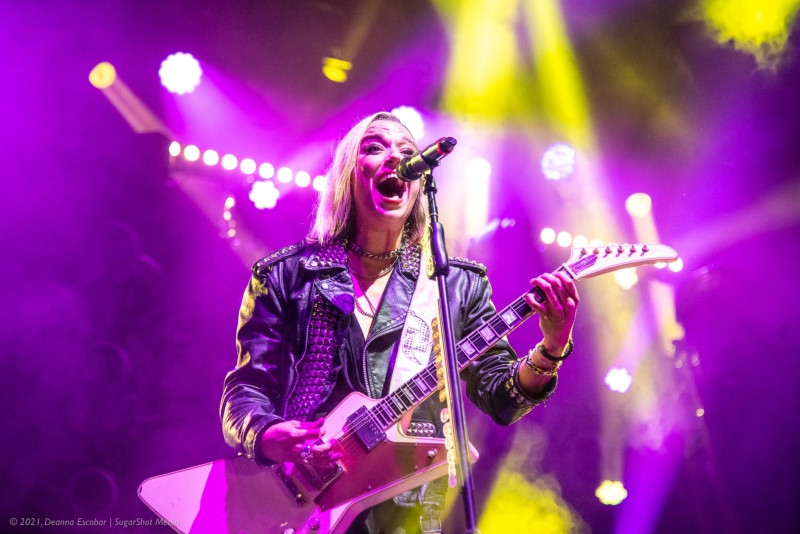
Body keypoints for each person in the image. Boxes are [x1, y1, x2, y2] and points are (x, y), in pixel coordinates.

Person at [220, 111, 579, 533]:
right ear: (347, 174)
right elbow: (245, 391)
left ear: (420, 183)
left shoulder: (454, 284)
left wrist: (551, 347)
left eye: (407, 153)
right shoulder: (286, 276)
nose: (395, 159)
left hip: (407, 516)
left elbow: (501, 398)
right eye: (375, 148)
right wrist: (265, 434)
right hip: (299, 507)